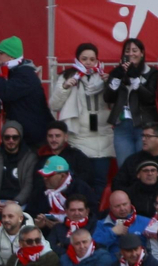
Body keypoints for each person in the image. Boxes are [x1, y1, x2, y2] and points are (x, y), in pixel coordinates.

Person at [52, 45, 114, 191]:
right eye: (84, 58)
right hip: (79, 138)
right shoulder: (67, 76)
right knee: (80, 180)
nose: (88, 62)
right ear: (77, 59)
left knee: (100, 181)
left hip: (103, 138)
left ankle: (95, 212)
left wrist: (111, 84)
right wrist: (65, 87)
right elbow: (54, 105)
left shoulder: (103, 76)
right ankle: (81, 211)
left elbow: (114, 103)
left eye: (92, 59)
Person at [0, 36, 49, 147]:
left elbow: (7, 92)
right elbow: (5, 93)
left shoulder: (25, 74)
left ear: (10, 56)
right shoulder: (14, 71)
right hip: (24, 132)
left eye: (0, 53)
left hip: (34, 136)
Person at [107, 40, 158, 163]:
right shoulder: (117, 72)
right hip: (122, 126)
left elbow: (150, 98)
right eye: (127, 51)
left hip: (144, 126)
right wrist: (116, 79)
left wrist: (135, 78)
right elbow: (108, 98)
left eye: (135, 50)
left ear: (142, 53)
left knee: (145, 165)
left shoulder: (152, 73)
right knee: (125, 166)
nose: (131, 54)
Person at [0, 123, 38, 220]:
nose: (11, 140)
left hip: (20, 203)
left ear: (20, 138)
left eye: (14, 137)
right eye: (7, 137)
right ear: (2, 138)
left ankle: (9, 228)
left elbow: (29, 185)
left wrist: (16, 202)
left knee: (29, 210)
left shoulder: (30, 158)